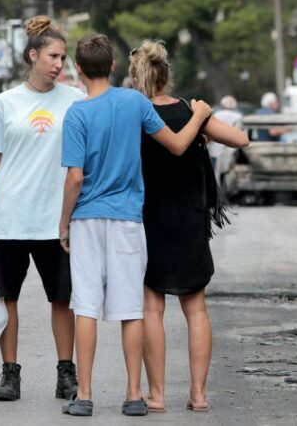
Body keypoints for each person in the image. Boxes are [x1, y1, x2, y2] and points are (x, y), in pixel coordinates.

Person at [58, 33, 212, 417]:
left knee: (87, 307)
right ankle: (133, 394)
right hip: (127, 218)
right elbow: (177, 145)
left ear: (77, 69)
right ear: (112, 66)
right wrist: (199, 116)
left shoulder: (76, 114)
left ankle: (86, 395)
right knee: (131, 309)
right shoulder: (133, 102)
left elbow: (74, 178)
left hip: (88, 219)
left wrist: (64, 225)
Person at [129, 40, 248, 414]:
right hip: (191, 218)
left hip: (150, 217)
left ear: (138, 77)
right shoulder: (188, 110)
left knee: (152, 310)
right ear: (166, 75)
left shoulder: (136, 115)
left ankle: (158, 394)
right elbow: (241, 139)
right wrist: (202, 123)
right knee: (196, 309)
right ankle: (198, 395)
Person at [0, 16, 82, 403]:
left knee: (62, 298)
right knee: (9, 298)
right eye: (53, 56)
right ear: (33, 55)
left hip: (56, 219)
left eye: (64, 58)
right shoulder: (6, 102)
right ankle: (10, 375)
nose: (59, 64)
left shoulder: (75, 99)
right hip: (11, 214)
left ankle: (65, 374)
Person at [208, 95, 243, 169]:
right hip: (231, 151)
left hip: (215, 150)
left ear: (222, 105)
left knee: (215, 173)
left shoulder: (217, 115)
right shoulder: (239, 116)